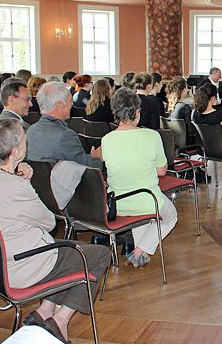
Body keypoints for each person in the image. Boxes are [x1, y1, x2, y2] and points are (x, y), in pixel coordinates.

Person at [0, 117, 109, 344]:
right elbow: (49, 223)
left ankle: (44, 311)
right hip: (22, 266)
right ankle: (60, 320)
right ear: (16, 151)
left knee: (70, 256)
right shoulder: (15, 186)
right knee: (98, 255)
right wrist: (24, 184)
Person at [102, 88, 178, 267]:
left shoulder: (106, 139)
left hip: (118, 204)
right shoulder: (152, 136)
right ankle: (139, 251)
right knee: (171, 216)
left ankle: (140, 253)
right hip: (148, 201)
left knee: (140, 209)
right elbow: (161, 171)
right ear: (137, 112)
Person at [26, 82, 103, 168]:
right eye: (70, 101)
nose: (72, 104)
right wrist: (98, 158)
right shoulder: (66, 136)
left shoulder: (31, 130)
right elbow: (85, 167)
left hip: (38, 180)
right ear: (59, 105)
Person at [167, 76, 195, 145]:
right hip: (185, 144)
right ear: (184, 90)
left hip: (172, 142)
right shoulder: (185, 107)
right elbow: (190, 132)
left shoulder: (169, 106)